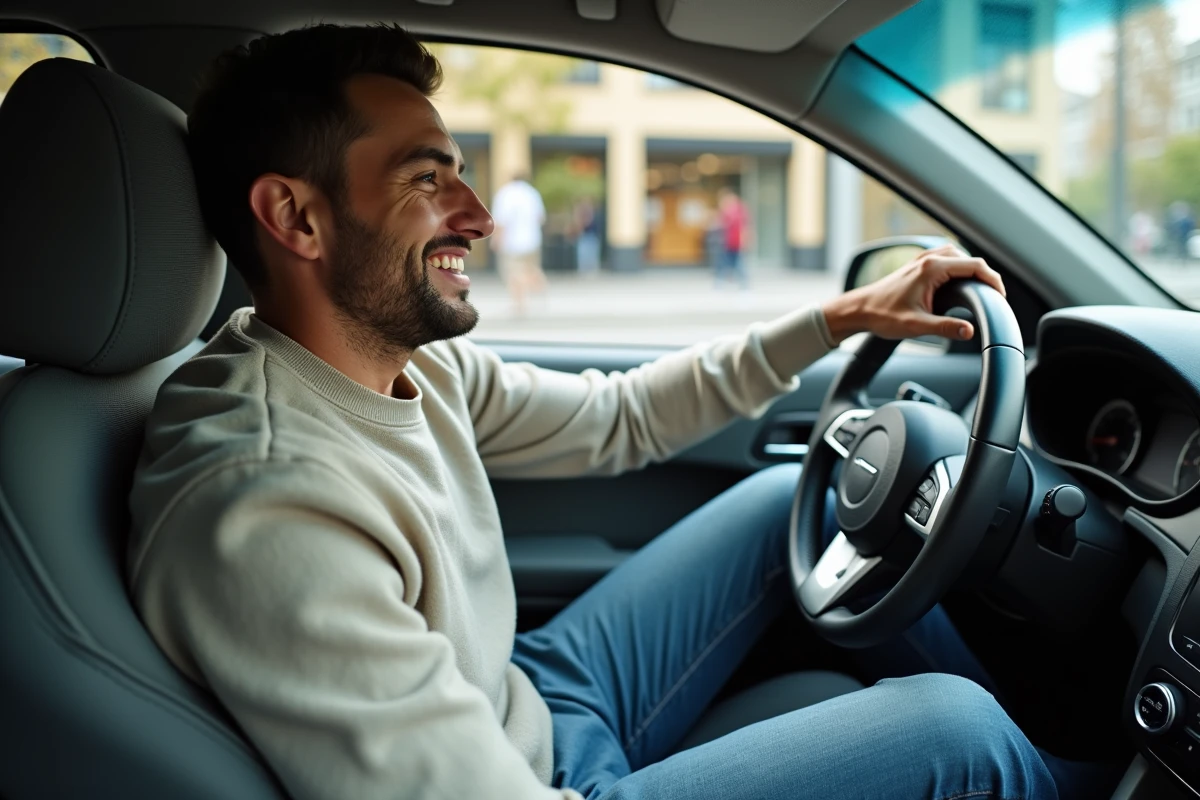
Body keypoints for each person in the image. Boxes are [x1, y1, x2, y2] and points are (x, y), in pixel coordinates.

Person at [128, 24, 1063, 800]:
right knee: (957, 731)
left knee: (796, 499)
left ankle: (1047, 751)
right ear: (295, 218)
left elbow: (620, 417)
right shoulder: (262, 500)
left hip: (533, 691)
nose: (480, 216)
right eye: (426, 180)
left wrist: (837, 318)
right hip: (543, 784)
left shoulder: (401, 364)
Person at [491, 170, 547, 313]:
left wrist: (496, 239)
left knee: (513, 273)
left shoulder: (505, 194)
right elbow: (541, 218)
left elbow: (501, 221)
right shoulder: (533, 193)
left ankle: (519, 303)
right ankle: (539, 285)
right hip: (532, 240)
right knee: (530, 268)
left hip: (512, 242)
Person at [714, 186, 750, 289]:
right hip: (728, 241)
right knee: (727, 263)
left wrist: (744, 240)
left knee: (737, 263)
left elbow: (745, 226)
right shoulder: (729, 210)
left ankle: (743, 283)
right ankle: (721, 282)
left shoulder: (737, 210)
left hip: (736, 242)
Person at [573, 195, 602, 275]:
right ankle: (585, 271)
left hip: (591, 235)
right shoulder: (585, 212)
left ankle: (590, 271)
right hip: (586, 236)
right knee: (585, 255)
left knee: (590, 255)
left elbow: (585, 222)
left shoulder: (590, 213)